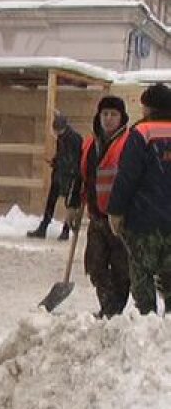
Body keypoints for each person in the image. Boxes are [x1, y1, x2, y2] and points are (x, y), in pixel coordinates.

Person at [107, 83, 171, 315]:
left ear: (149, 108)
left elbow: (126, 177)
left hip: (145, 222)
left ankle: (147, 320)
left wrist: (115, 212)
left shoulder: (142, 133)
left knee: (142, 272)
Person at [66, 96, 130, 318]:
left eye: (114, 114)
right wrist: (73, 205)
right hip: (96, 216)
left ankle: (114, 311)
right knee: (95, 265)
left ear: (122, 117)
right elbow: (80, 175)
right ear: (98, 116)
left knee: (122, 268)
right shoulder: (89, 144)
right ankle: (108, 306)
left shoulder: (130, 143)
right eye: (105, 114)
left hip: (121, 219)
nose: (109, 119)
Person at [28, 112, 82, 240]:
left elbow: (74, 159)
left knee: (70, 205)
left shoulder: (74, 139)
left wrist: (59, 163)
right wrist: (55, 161)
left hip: (70, 177)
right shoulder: (62, 138)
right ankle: (44, 228)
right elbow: (62, 155)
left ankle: (65, 230)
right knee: (51, 201)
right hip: (60, 175)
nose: (56, 133)